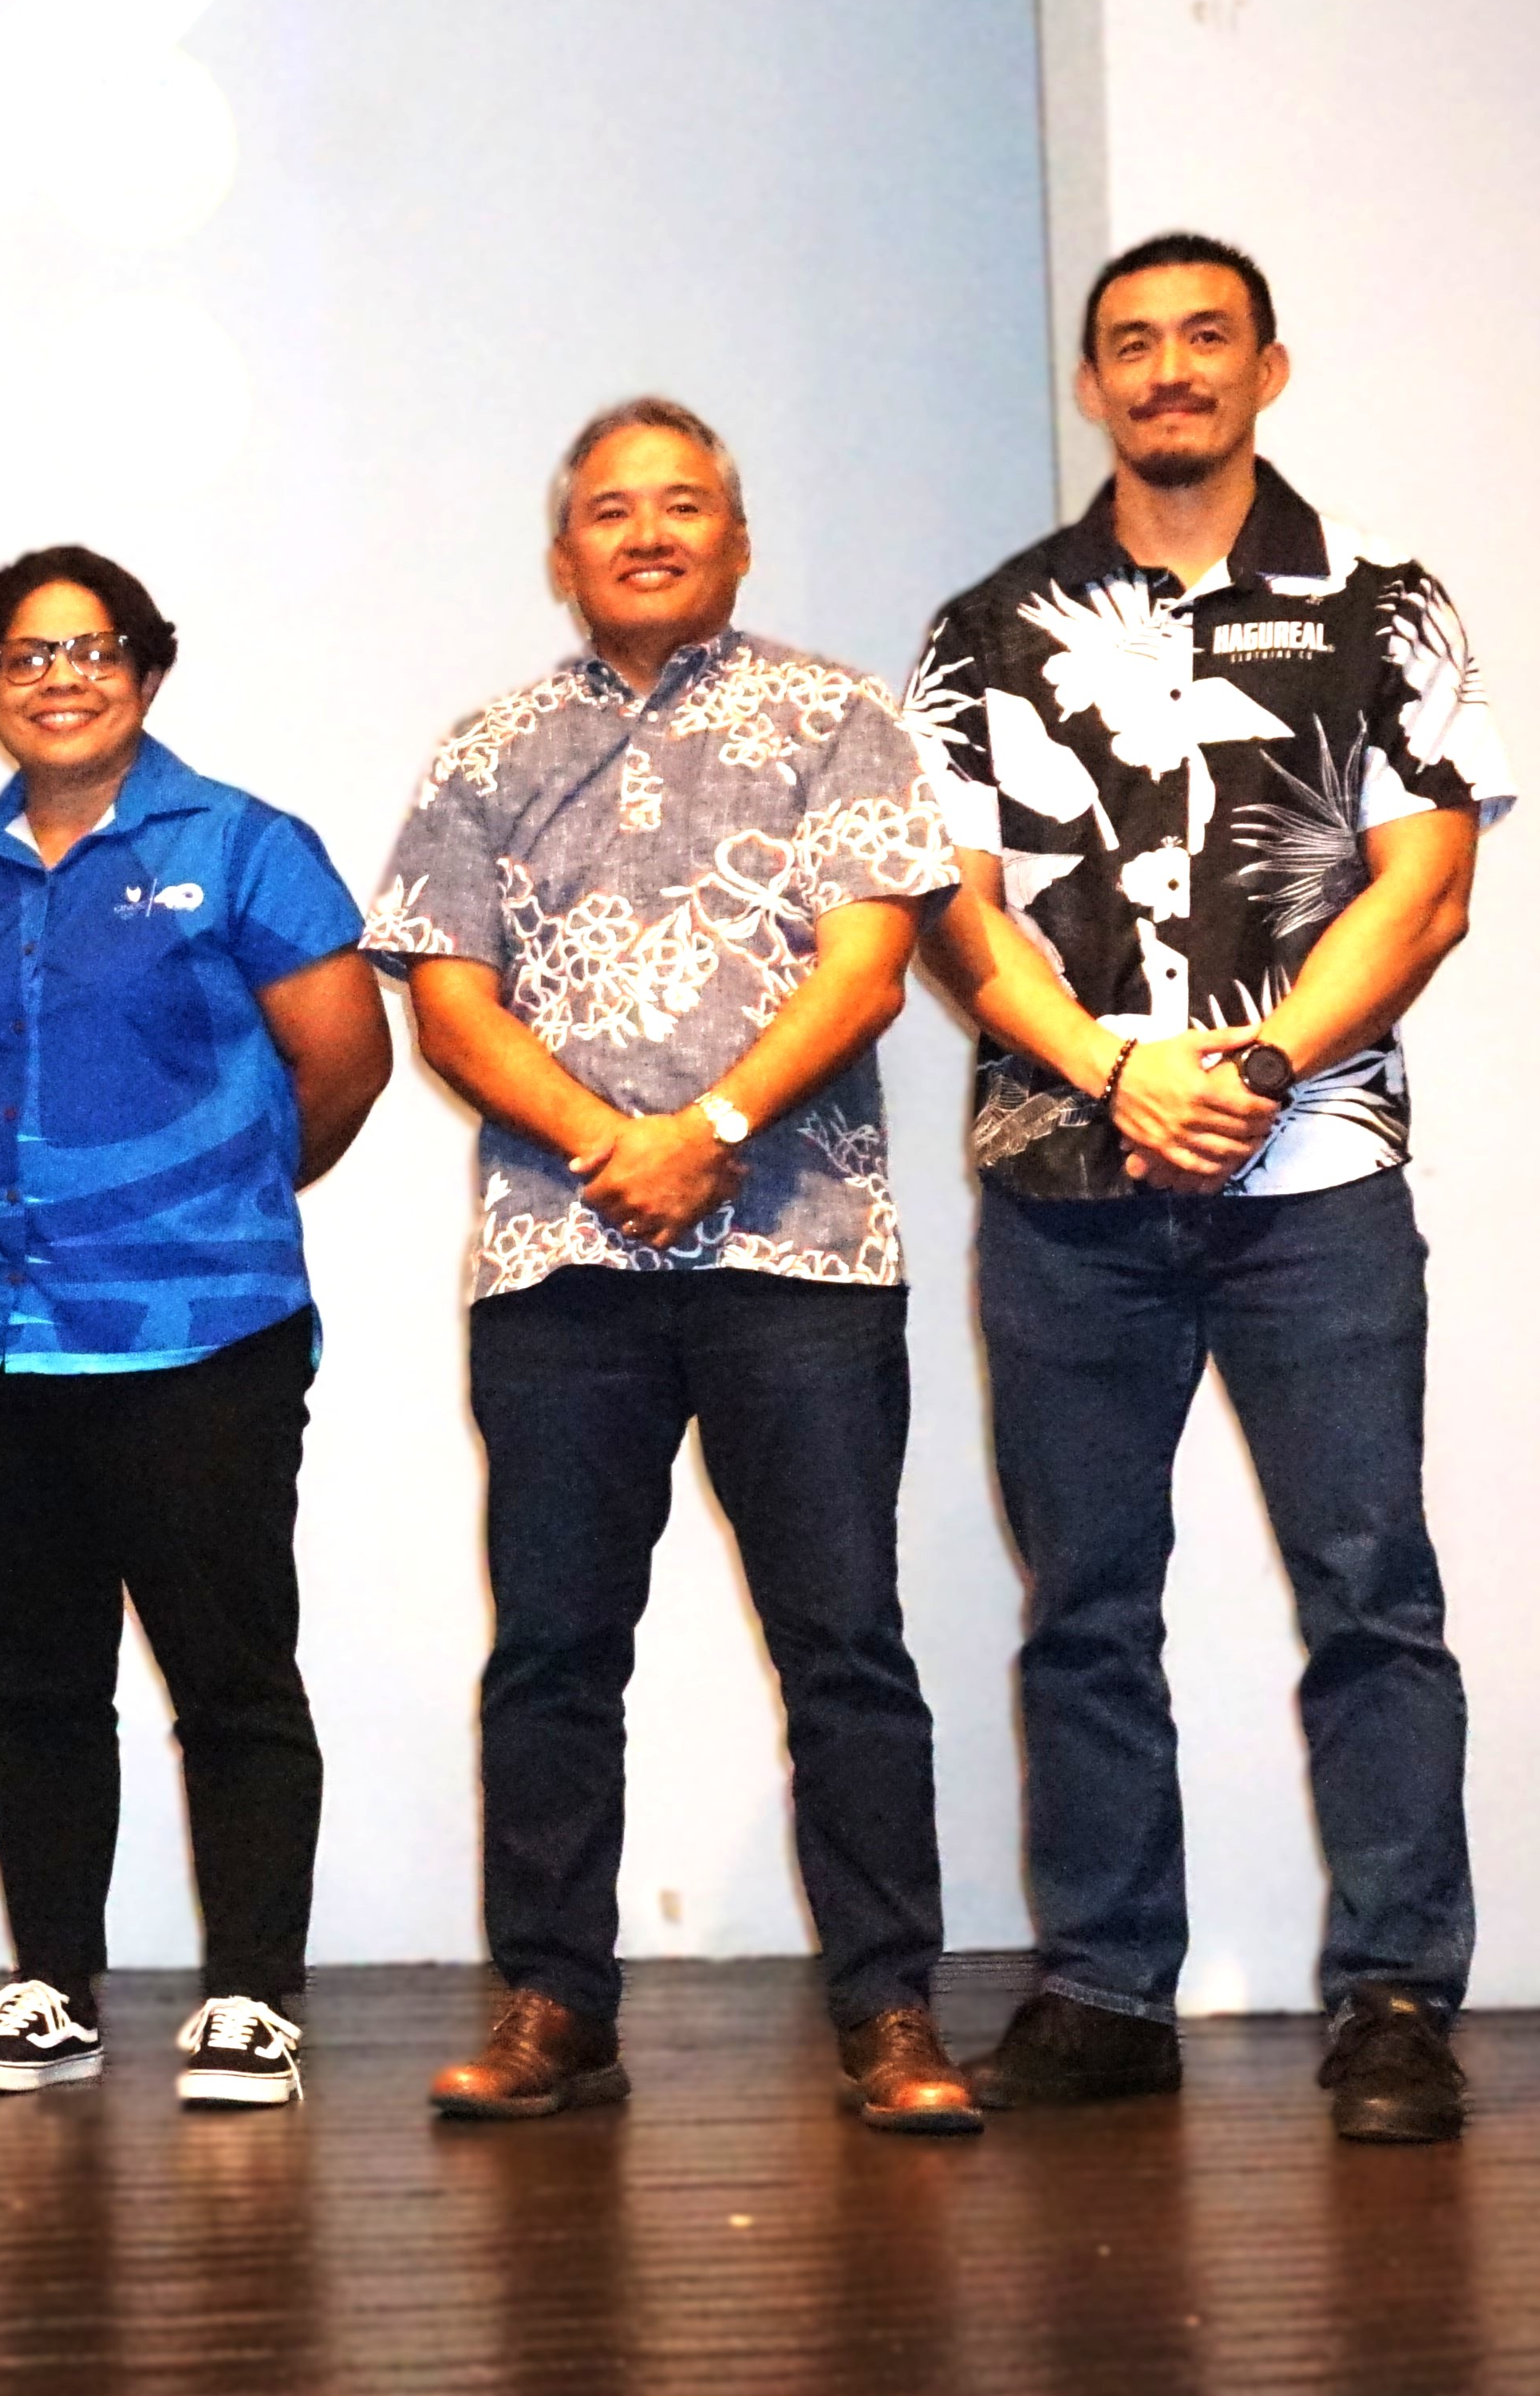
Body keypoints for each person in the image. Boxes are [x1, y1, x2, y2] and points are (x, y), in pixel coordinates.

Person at [911, 231, 1505, 2145]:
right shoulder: (986, 629)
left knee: (1369, 1588)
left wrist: (1250, 1066)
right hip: (1065, 1178)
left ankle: (1399, 1993)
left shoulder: (1384, 609)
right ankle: (1103, 1988)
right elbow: (961, 920)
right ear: (1093, 386)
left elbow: (1425, 885)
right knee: (1085, 1599)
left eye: (1205, 340)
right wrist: (1114, 1067)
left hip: (1314, 1173)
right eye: (1133, 345)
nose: (1169, 371)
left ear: (1268, 366)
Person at [362, 397, 979, 2133]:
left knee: (844, 1642)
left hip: (804, 1253)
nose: (647, 532)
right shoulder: (490, 745)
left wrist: (702, 1127)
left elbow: (866, 971)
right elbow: (449, 994)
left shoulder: (835, 713)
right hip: (563, 1262)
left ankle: (893, 2014)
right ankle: (555, 2000)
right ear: (563, 555)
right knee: (555, 1647)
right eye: (612, 511)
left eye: (684, 505)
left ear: (739, 536)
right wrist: (604, 1141)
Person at [0, 546, 388, 2111]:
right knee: (37, 1678)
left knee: (231, 1669)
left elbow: (344, 1064)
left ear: (148, 671)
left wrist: (212, 1195)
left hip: (201, 1330)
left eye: (93, 650)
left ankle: (251, 1991)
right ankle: (51, 1983)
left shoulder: (243, 846)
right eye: (26, 654)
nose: (60, 677)